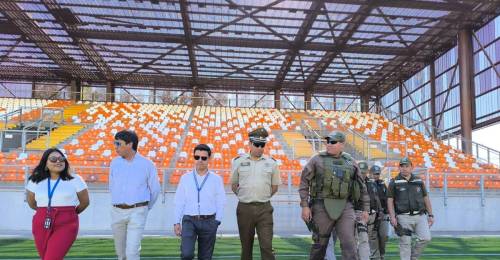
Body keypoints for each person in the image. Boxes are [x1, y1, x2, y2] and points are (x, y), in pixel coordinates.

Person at [299, 131, 370, 260]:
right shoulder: (316, 159)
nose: (329, 144)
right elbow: (304, 182)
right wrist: (305, 206)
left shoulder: (350, 161)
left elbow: (362, 186)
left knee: (350, 244)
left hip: (345, 205)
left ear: (342, 144)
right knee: (320, 244)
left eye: (333, 142)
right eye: (328, 142)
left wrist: (365, 208)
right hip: (321, 205)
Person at [26, 148, 89, 260]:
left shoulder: (75, 179)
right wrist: (45, 212)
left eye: (61, 159)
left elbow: (85, 202)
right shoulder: (35, 180)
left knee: (52, 258)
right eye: (53, 159)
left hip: (67, 223)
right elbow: (32, 203)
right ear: (45, 163)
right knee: (45, 257)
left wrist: (69, 214)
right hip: (41, 222)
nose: (58, 161)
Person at [109, 130, 161, 260]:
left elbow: (155, 189)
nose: (115, 147)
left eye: (118, 143)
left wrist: (145, 208)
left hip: (138, 211)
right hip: (117, 211)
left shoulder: (147, 164)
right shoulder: (114, 163)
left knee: (132, 252)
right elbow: (112, 186)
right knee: (120, 253)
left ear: (130, 144)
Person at [231, 127, 281, 260]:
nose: (260, 147)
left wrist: (261, 196)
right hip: (244, 209)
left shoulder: (272, 163)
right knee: (246, 247)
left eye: (262, 145)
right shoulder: (238, 162)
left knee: (266, 246)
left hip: (264, 209)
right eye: (257, 144)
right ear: (250, 144)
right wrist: (246, 196)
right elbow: (234, 186)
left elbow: (274, 187)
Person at [174, 144, 226, 260]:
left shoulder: (216, 179)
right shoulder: (185, 178)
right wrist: (176, 222)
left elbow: (221, 200)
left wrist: (217, 221)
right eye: (197, 157)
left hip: (209, 221)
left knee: (205, 257)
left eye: (204, 158)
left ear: (209, 159)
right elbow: (179, 201)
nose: (200, 160)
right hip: (189, 220)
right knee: (187, 254)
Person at [387, 157, 434, 260]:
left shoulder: (418, 181)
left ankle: (413, 257)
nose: (404, 168)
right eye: (402, 166)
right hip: (403, 217)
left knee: (425, 238)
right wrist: (392, 217)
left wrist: (431, 215)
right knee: (405, 243)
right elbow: (390, 201)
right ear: (399, 168)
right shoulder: (394, 182)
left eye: (406, 166)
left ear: (411, 167)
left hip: (420, 216)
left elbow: (426, 198)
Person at [355, 161, 382, 260]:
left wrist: (379, 211)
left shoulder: (371, 182)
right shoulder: (352, 182)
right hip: (358, 214)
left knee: (367, 239)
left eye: (364, 172)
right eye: (360, 172)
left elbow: (376, 197)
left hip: (371, 215)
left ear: (367, 172)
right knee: (359, 239)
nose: (362, 174)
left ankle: (366, 256)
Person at [370, 165, 389, 260]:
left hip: (384, 214)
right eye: (374, 174)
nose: (376, 176)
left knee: (383, 235)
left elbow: (387, 198)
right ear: (370, 174)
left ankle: (382, 254)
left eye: (378, 174)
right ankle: (376, 257)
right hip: (372, 214)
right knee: (373, 236)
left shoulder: (382, 184)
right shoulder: (367, 183)